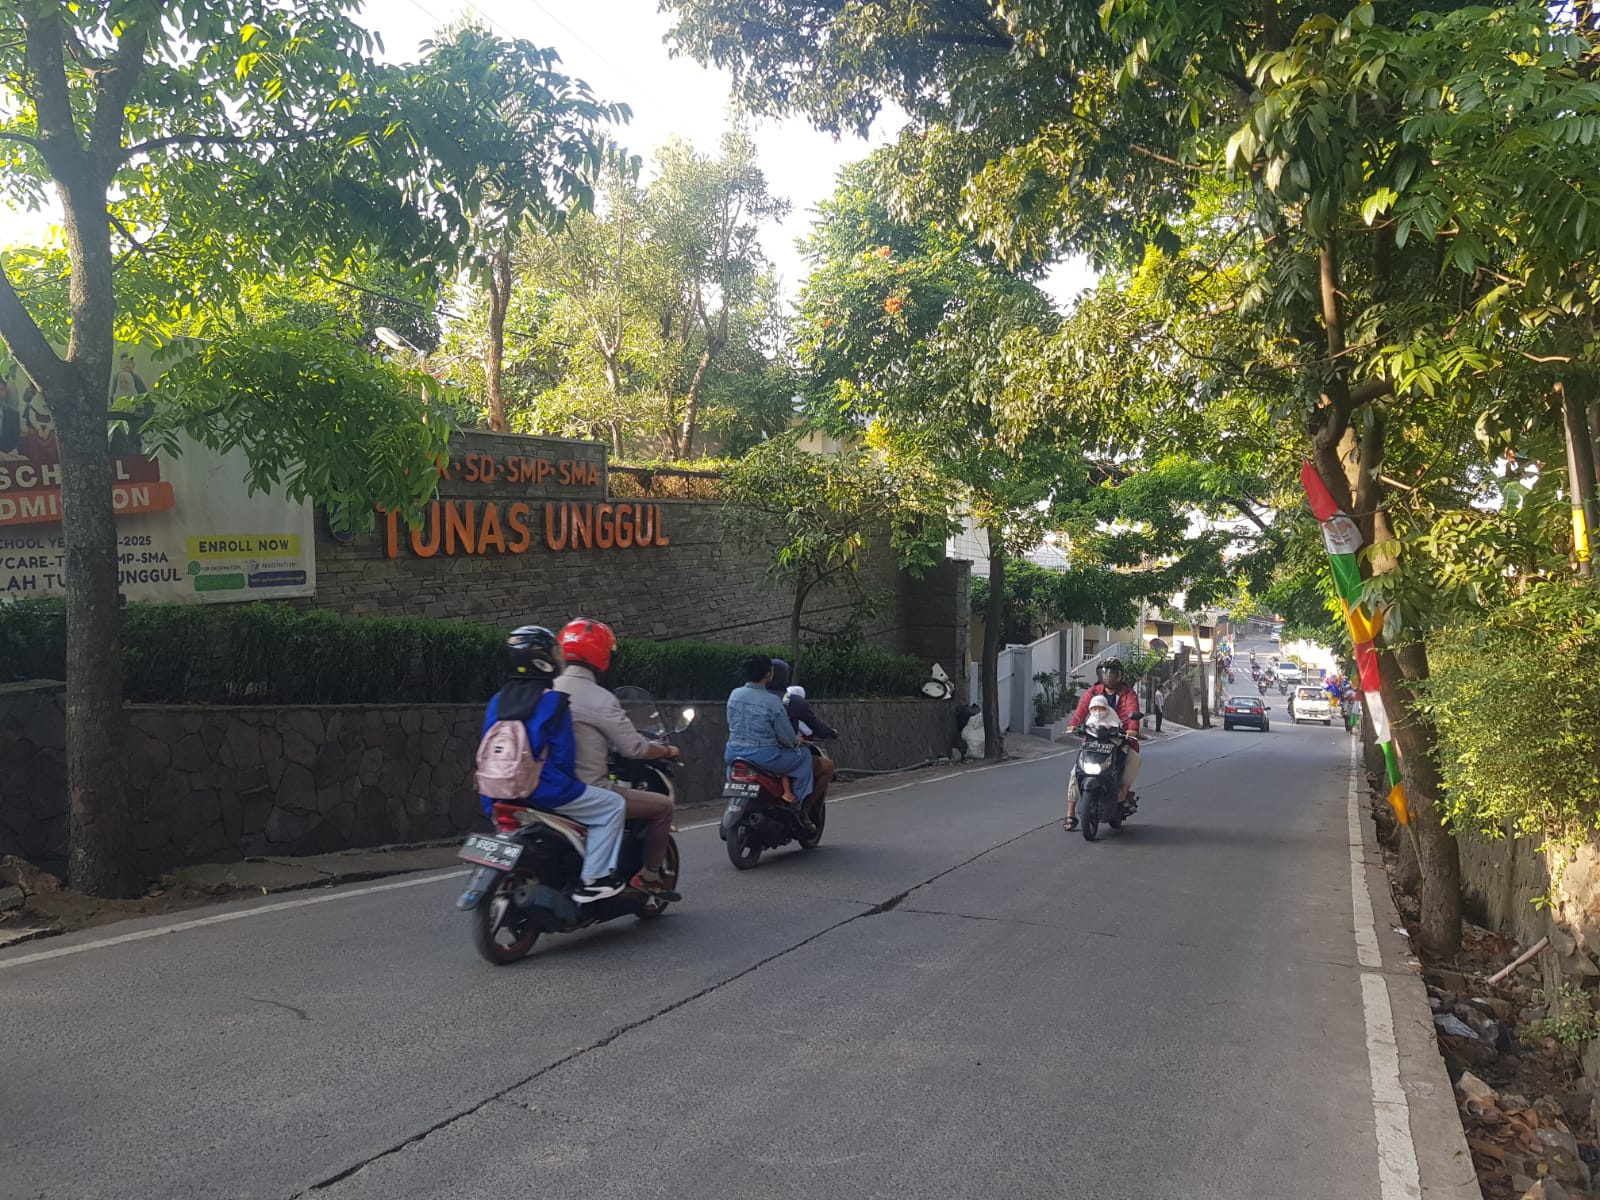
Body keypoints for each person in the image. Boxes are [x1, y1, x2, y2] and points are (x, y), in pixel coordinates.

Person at [479, 624, 628, 903]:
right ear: (542, 660)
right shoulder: (554, 702)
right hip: (544, 790)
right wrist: (569, 784)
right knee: (612, 806)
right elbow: (563, 756)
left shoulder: (497, 701)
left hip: (494, 792)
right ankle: (595, 879)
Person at [554, 617, 681, 900]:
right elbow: (634, 748)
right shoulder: (600, 698)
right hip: (588, 789)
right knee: (662, 807)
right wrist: (666, 751)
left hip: (547, 786)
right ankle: (649, 877)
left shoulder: (547, 690)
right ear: (602, 654)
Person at [726, 654, 816, 833]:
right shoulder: (772, 702)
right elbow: (787, 738)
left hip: (733, 754)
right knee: (805, 757)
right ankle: (794, 803)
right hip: (766, 757)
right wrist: (795, 744)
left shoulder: (734, 694)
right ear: (768, 675)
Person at [1062, 657, 1141, 832]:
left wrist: (1132, 729)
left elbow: (1132, 711)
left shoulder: (1128, 693)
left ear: (1120, 675)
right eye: (1106, 672)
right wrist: (1074, 725)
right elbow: (1081, 711)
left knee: (1133, 760)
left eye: (1113, 673)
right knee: (1076, 771)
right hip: (1093, 740)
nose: (1109, 676)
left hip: (1118, 739)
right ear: (1100, 674)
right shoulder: (1092, 692)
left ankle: (1121, 795)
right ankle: (1070, 812)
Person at [768, 660, 839, 807]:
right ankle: (803, 810)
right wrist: (831, 733)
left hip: (746, 752)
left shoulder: (752, 699)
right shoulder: (790, 701)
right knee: (827, 767)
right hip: (781, 752)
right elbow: (815, 725)